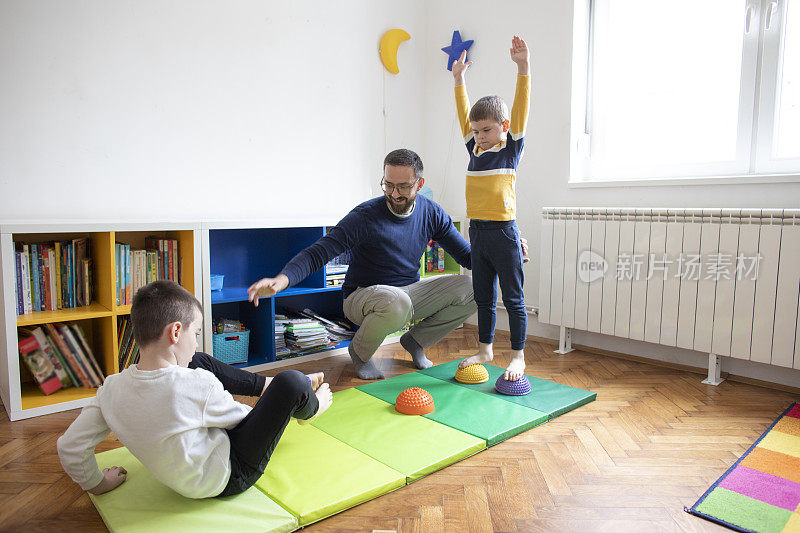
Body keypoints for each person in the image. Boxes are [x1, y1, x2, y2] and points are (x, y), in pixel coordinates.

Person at [57, 280, 332, 498]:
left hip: (180, 474)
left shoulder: (110, 389)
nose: (197, 343)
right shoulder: (196, 386)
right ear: (176, 332)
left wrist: (98, 483)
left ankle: (266, 385)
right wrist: (283, 400)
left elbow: (69, 446)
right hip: (227, 478)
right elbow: (245, 421)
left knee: (197, 361)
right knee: (292, 382)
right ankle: (312, 407)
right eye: (197, 334)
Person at [248, 149, 477, 380]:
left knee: (475, 289)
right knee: (397, 301)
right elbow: (320, 252)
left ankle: (416, 341)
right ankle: (359, 353)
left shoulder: (432, 212)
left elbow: (467, 257)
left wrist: (506, 252)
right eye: (388, 185)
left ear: (420, 183)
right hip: (362, 296)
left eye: (403, 187)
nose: (394, 194)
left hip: (408, 294)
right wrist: (282, 279)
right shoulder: (365, 216)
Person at [453, 36, 531, 381]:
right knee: (483, 297)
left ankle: (518, 355)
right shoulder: (475, 151)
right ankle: (485, 349)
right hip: (478, 234)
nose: (480, 136)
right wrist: (459, 80)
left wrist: (523, 68)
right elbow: (464, 114)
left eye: (487, 130)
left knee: (512, 298)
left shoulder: (510, 150)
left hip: (503, 231)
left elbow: (521, 107)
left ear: (505, 127)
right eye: (476, 131)